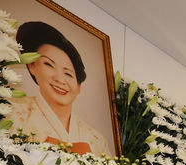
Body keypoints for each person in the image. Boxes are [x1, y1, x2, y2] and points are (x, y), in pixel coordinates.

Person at [9, 21, 111, 157]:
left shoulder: (97, 140)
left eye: (68, 74)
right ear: (32, 66)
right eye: (49, 65)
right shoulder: (11, 113)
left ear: (79, 86)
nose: (60, 79)